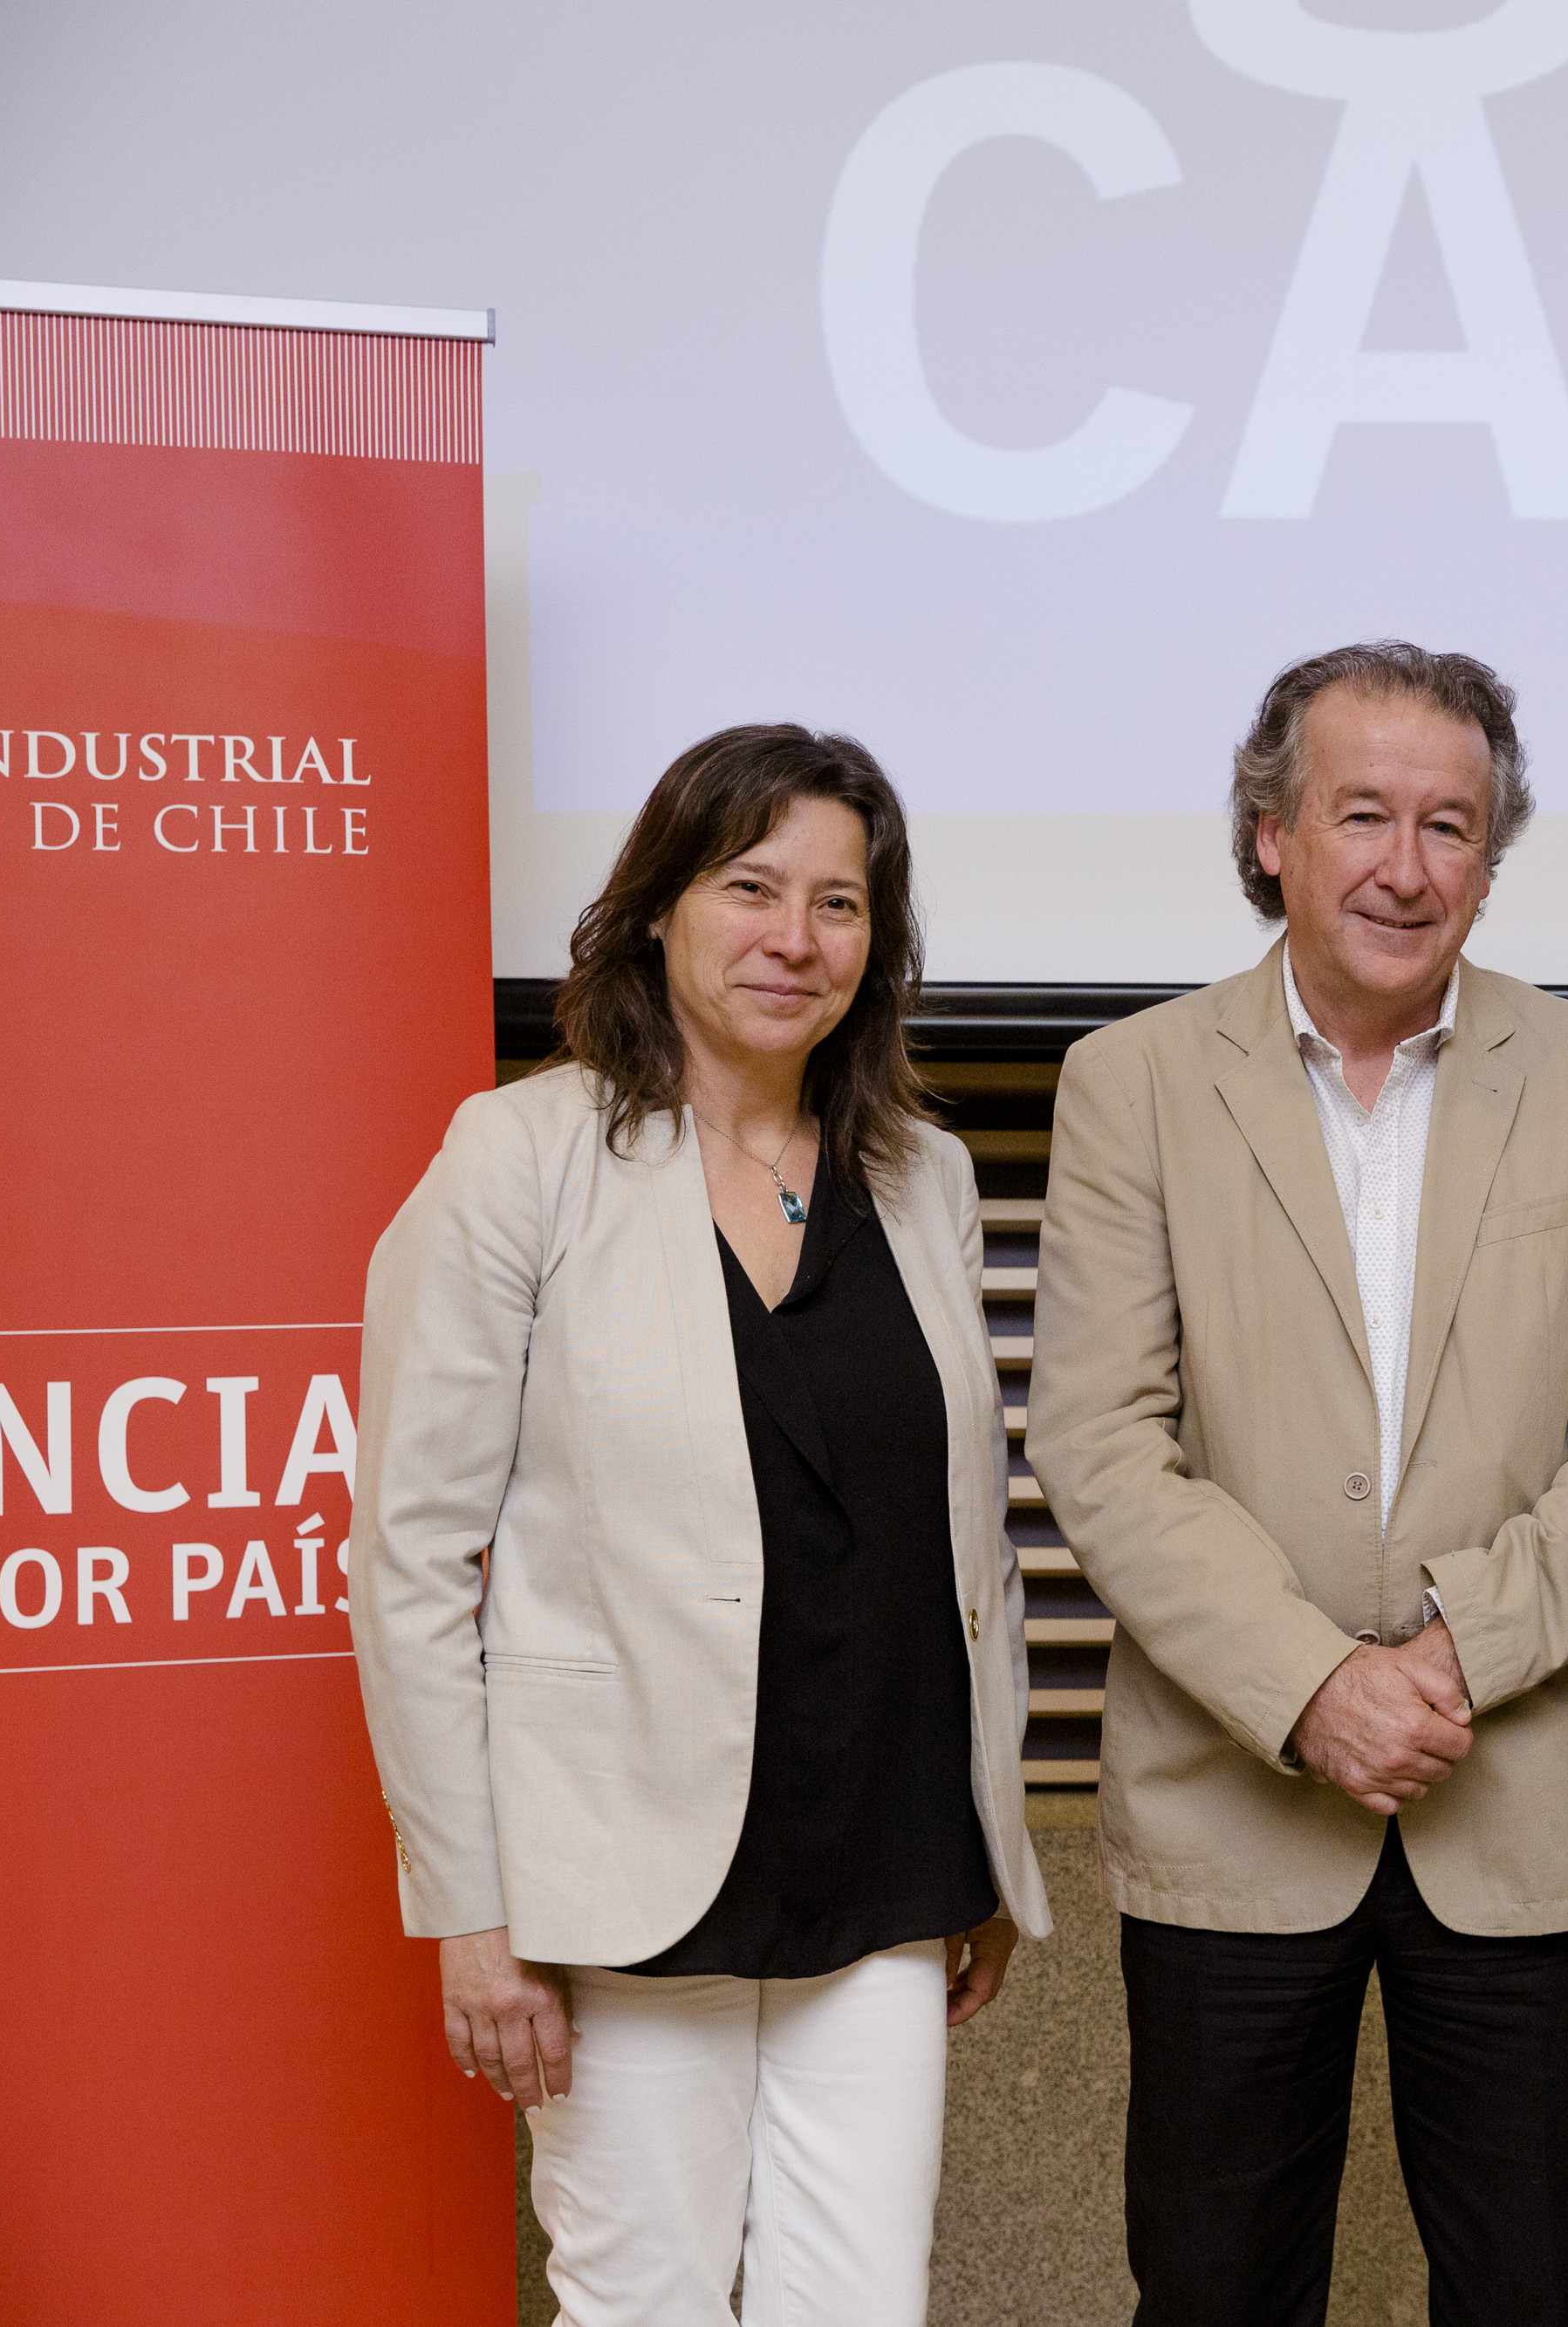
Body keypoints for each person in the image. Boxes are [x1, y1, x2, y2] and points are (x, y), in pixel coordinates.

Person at [1025, 642, 1568, 2327]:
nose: (1408, 867)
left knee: (1533, 2299)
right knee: (1215, 2296)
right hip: (1232, 1811)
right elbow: (1100, 1441)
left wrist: (1450, 1659)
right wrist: (1314, 1684)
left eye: (1451, 826)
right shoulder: (1135, 1082)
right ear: (1272, 835)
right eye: (1363, 816)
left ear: (1491, 855)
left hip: (1524, 1811)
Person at [351, 726, 1050, 2327]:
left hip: (886, 1860)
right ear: (658, 905)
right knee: (645, 2305)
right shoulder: (519, 1158)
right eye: (749, 888)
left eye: (839, 903)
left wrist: (991, 1840)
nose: (794, 938)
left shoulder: (927, 1177)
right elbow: (409, 1562)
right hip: (619, 1872)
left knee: (863, 2306)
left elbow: (970, 1541)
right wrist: (474, 1916)